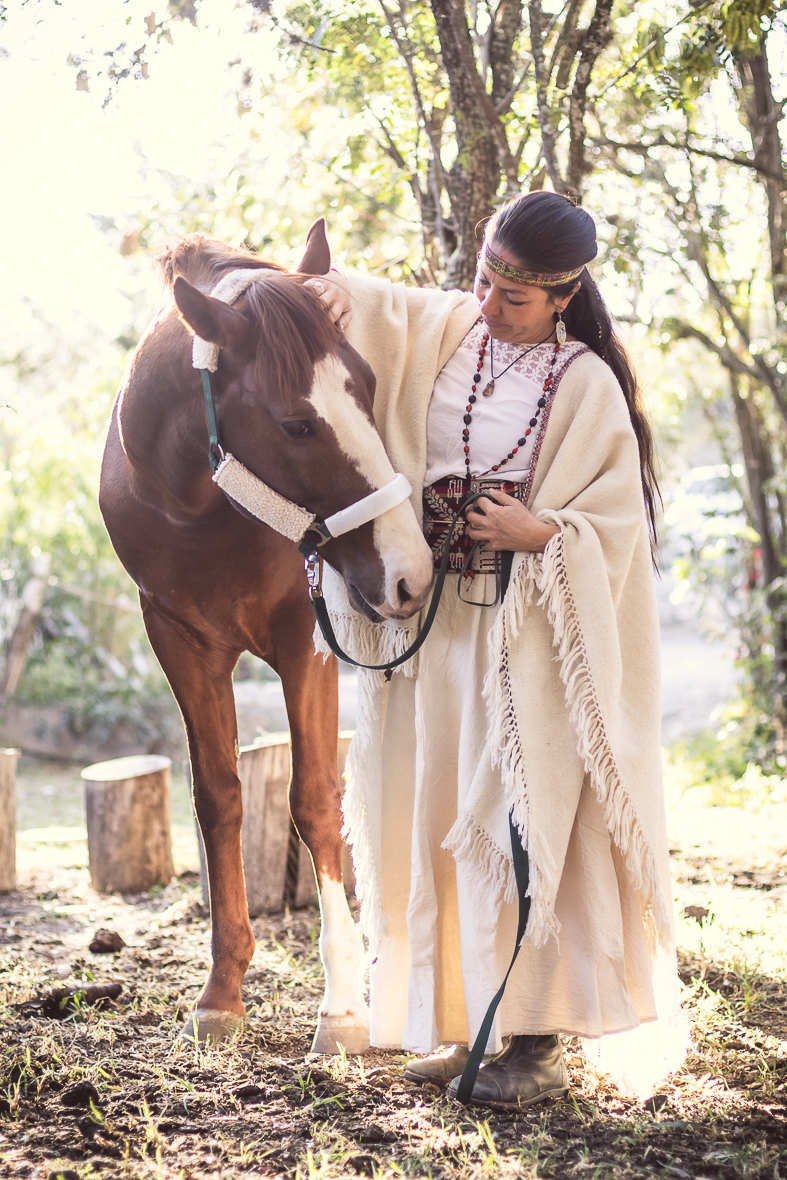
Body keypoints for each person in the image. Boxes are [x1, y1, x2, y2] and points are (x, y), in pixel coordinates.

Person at [311, 190, 688, 1108]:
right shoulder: (446, 333)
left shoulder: (585, 384)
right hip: (432, 630)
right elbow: (370, 304)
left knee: (517, 818)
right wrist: (324, 290)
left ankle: (536, 1042)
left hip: (524, 639)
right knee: (434, 810)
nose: (487, 305)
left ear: (562, 296)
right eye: (482, 281)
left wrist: (541, 532)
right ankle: (465, 1018)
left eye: (512, 297)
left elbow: (615, 526)